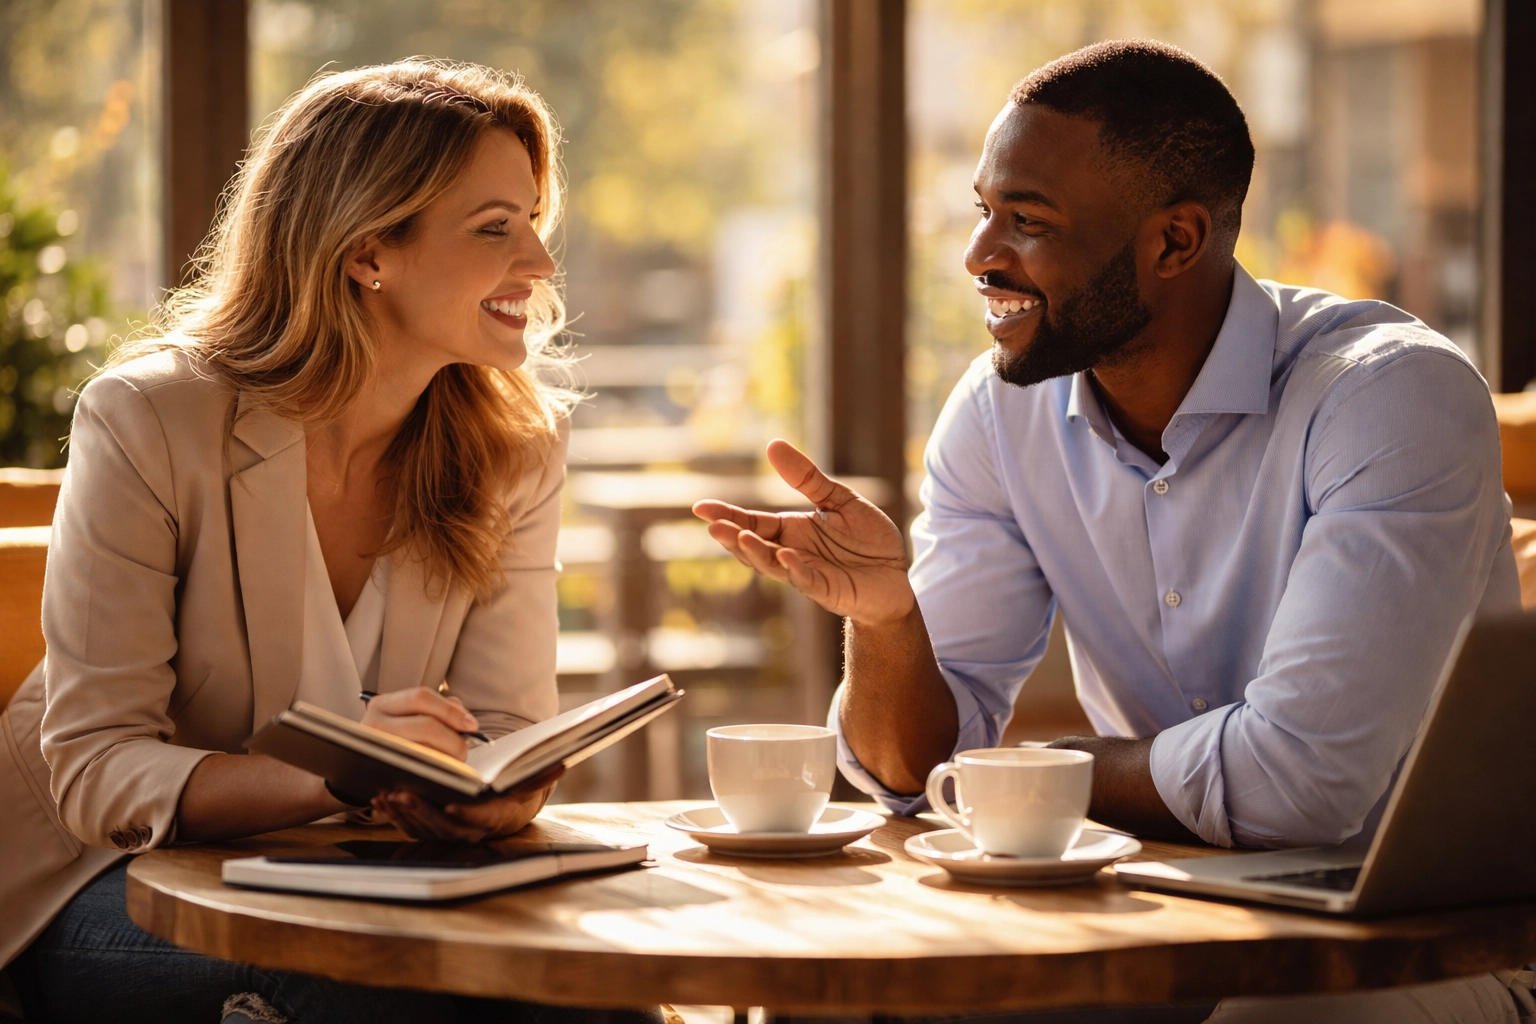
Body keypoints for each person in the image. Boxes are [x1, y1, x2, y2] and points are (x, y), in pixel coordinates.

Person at [694, 41, 1528, 1023]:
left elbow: (1304, 786)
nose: (978, 255)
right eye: (983, 211)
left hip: (1410, 945)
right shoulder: (1001, 415)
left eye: (1027, 221)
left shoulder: (1389, 395)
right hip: (1150, 912)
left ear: (1175, 241)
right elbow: (915, 770)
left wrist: (1040, 777)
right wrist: (886, 622)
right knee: (858, 996)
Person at [0, 60, 657, 1024]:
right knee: (377, 996)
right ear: (365, 252)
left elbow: (506, 724)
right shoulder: (150, 417)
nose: (541, 265)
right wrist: (334, 774)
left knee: (601, 998)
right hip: (103, 878)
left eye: (531, 222)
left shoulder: (516, 446)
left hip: (357, 877)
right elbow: (99, 771)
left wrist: (491, 791)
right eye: (494, 228)